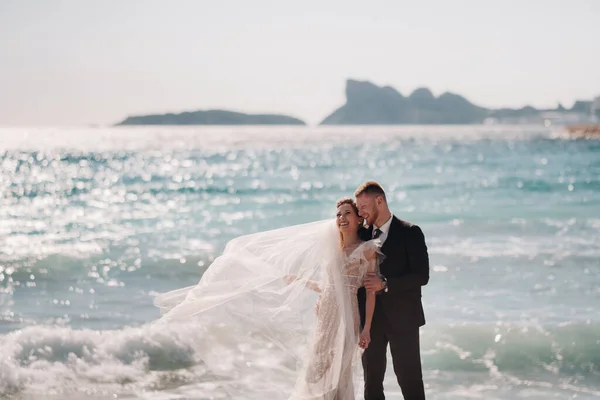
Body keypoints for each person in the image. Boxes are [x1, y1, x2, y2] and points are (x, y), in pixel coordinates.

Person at [153, 197, 383, 400]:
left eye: (347, 214)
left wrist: (367, 329)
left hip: (348, 316)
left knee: (340, 371)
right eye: (338, 214)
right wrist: (301, 282)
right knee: (318, 369)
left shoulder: (366, 249)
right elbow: (329, 287)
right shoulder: (331, 249)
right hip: (325, 316)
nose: (341, 218)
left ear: (358, 219)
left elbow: (370, 291)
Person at [355, 181, 430, 400]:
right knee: (372, 384)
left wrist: (385, 283)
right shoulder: (361, 235)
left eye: (363, 206)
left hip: (404, 320)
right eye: (358, 208)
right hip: (370, 323)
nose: (361, 212)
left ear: (380, 200)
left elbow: (421, 276)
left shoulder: (410, 232)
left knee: (410, 382)